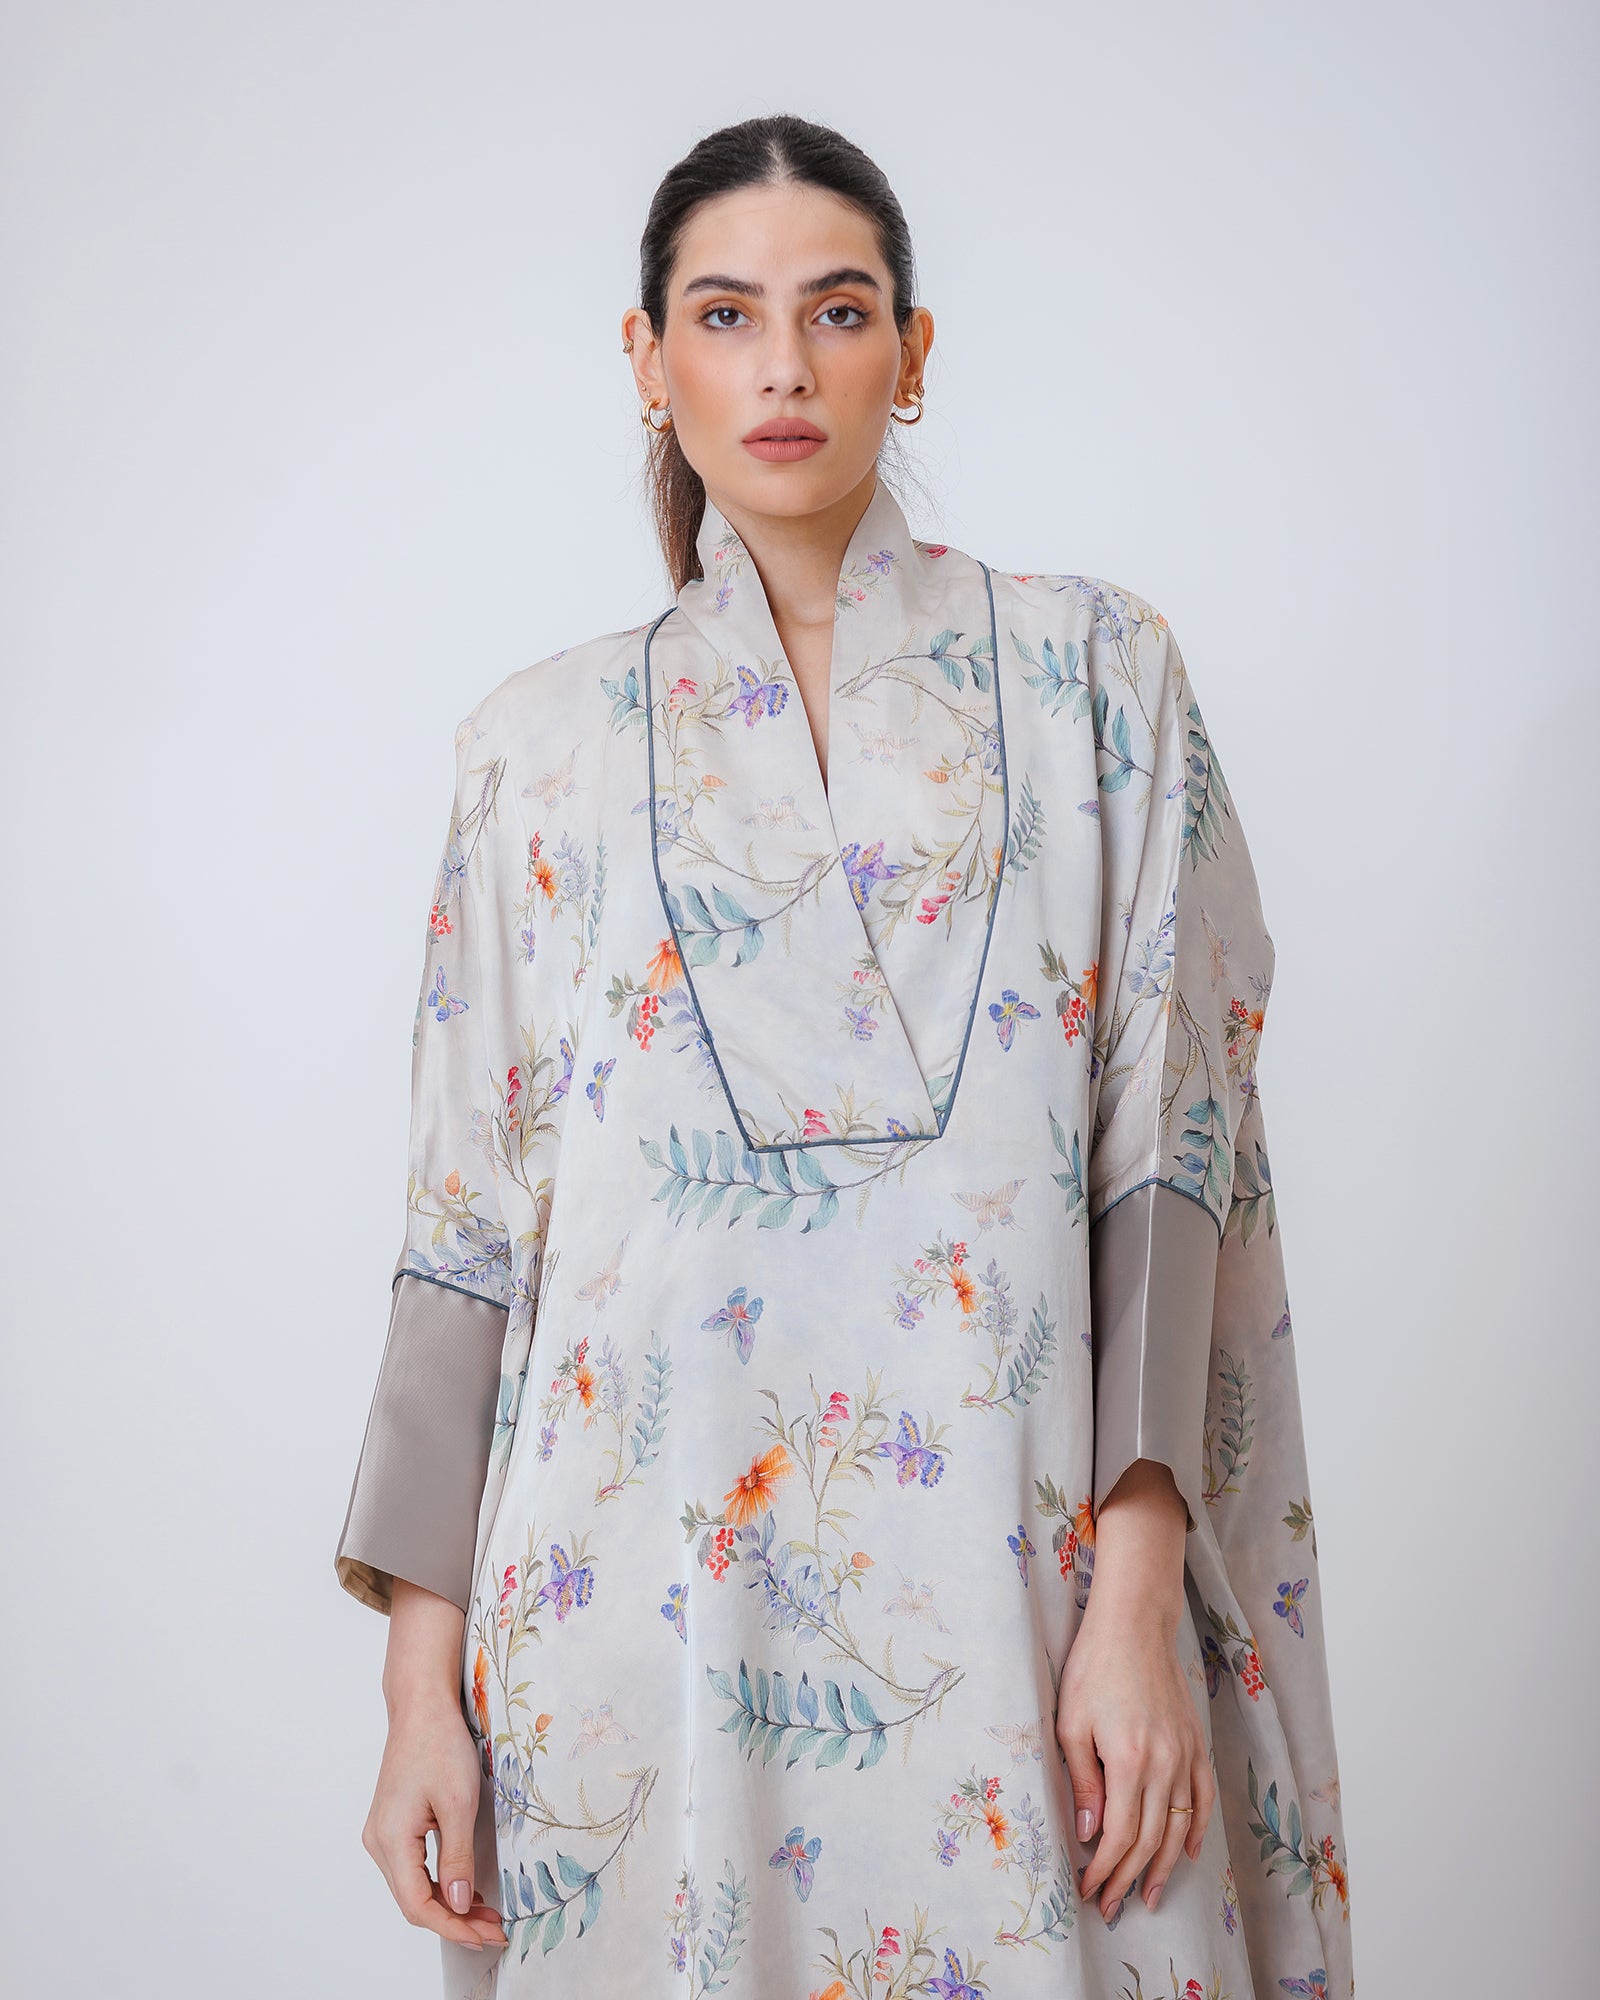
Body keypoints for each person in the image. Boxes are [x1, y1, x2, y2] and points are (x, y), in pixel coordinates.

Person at [333, 113, 1353, 2000]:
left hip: (1028, 1595)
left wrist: (1134, 1601)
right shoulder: (534, 750)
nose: (785, 366)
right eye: (725, 315)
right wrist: (419, 1699)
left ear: (914, 347)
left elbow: (1171, 1152)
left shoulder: (1094, 680)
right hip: (641, 1631)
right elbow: (464, 1245)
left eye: (839, 309)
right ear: (648, 358)